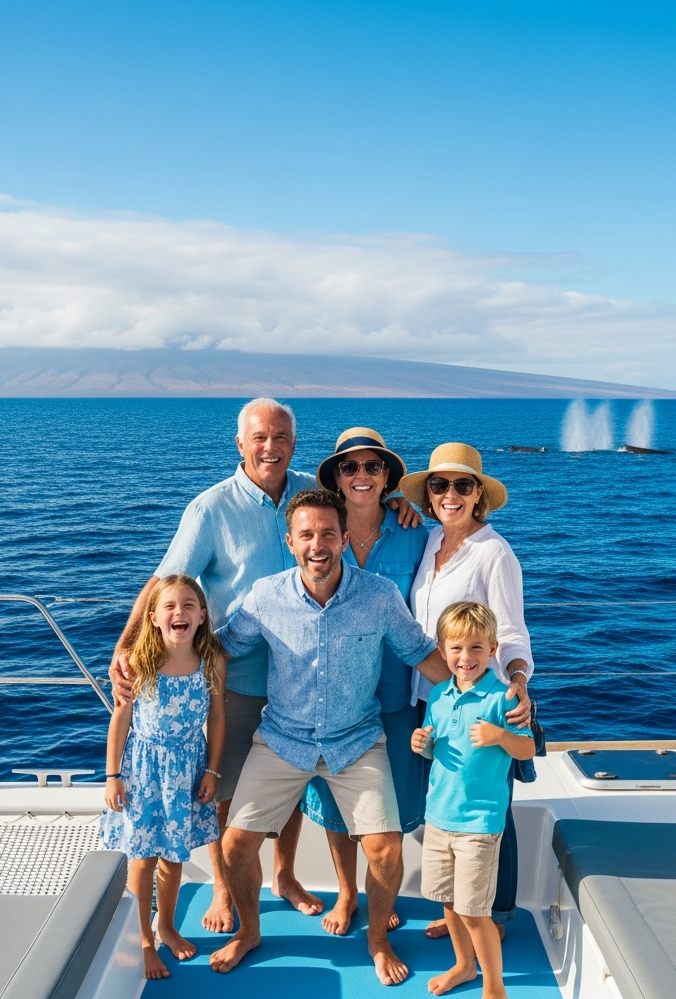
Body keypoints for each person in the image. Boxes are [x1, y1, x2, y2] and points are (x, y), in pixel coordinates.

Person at [109, 398, 422, 933]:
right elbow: (167, 582)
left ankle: (286, 876)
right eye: (259, 437)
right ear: (240, 443)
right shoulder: (211, 509)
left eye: (280, 437)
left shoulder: (310, 493)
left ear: (294, 444)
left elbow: (358, 501)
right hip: (233, 677)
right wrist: (129, 645)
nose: (270, 447)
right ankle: (226, 892)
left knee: (295, 790)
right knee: (228, 790)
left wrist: (398, 502)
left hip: (300, 685)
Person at [209, 489, 451, 985]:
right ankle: (250, 932)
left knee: (385, 847)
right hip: (282, 739)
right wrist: (150, 663)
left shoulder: (379, 595)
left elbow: (421, 652)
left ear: (343, 539)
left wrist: (487, 693)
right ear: (290, 542)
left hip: (356, 740)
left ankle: (378, 940)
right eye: (306, 535)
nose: (317, 544)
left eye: (327, 534)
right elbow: (220, 648)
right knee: (234, 846)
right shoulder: (265, 596)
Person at [398, 442, 533, 937]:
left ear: (479, 494)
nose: (449, 494)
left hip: (482, 700)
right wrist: (396, 505)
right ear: (428, 494)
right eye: (438, 485)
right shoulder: (432, 539)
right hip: (434, 694)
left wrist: (517, 678)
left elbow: (512, 630)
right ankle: (460, 911)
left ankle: (494, 916)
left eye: (461, 485)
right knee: (451, 793)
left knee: (491, 804)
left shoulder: (493, 552)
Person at [301, 427, 429, 936]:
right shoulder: (318, 531)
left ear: (387, 477)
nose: (361, 476)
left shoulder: (416, 532)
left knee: (389, 802)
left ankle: (382, 895)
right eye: (349, 467)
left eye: (372, 467)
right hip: (332, 697)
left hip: (395, 695)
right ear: (335, 477)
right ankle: (347, 892)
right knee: (334, 802)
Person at [101, 575, 227, 979]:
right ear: (153, 617)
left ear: (202, 616)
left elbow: (217, 717)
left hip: (187, 769)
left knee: (174, 858)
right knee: (143, 858)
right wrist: (113, 775)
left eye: (189, 605)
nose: (180, 613)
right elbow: (120, 719)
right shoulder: (139, 662)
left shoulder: (211, 661)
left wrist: (211, 768)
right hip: (143, 770)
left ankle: (167, 926)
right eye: (170, 606)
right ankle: (142, 938)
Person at [411, 601, 536, 999]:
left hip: (479, 824)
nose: (466, 658)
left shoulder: (503, 699)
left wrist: (501, 737)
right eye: (457, 649)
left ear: (493, 649)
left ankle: (494, 986)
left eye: (476, 648)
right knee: (448, 903)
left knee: (475, 911)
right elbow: (437, 750)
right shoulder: (437, 696)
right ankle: (464, 966)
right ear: (442, 650)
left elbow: (528, 750)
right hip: (439, 817)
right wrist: (423, 746)